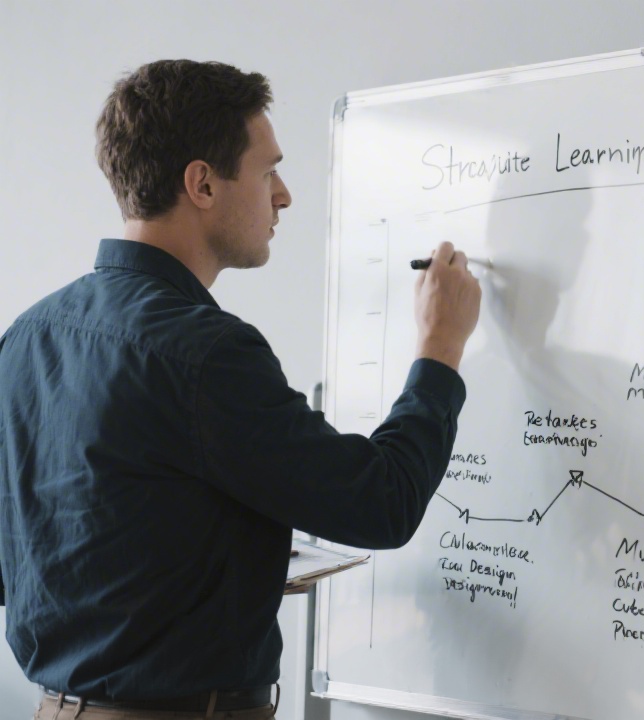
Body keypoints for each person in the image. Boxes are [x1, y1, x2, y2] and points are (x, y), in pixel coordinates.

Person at [0, 59, 481, 719]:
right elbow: (382, 504)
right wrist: (441, 347)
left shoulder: (28, 335)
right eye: (268, 171)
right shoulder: (207, 354)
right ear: (201, 183)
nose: (283, 195)